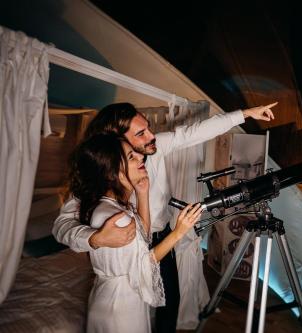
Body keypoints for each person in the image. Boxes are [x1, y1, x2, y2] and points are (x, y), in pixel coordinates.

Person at [53, 101, 277, 332]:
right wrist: (96, 238)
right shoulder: (97, 176)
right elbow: (61, 226)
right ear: (116, 140)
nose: (152, 136)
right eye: (141, 133)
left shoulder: (155, 146)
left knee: (169, 303)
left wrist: (245, 114)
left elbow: (193, 133)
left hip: (160, 237)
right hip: (123, 253)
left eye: (148, 128)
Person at [67, 132, 203, 332]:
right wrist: (178, 232)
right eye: (132, 157)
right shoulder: (116, 217)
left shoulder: (114, 206)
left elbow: (143, 240)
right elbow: (144, 267)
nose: (142, 157)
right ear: (112, 172)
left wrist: (142, 194)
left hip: (118, 299)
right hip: (120, 309)